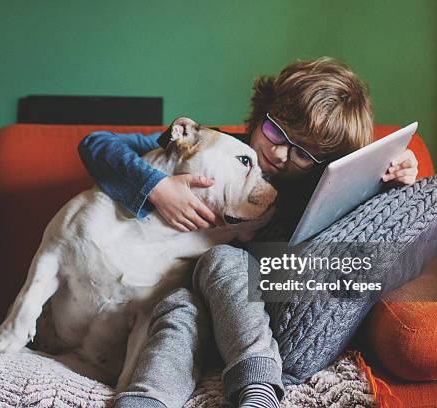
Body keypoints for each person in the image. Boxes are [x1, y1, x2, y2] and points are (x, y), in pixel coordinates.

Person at [78, 57, 418, 408]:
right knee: (179, 305)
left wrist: (395, 180)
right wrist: (157, 187)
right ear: (262, 111)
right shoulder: (215, 147)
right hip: (190, 302)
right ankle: (145, 400)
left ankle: (258, 392)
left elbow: (377, 236)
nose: (280, 153)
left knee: (222, 258)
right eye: (276, 132)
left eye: (302, 152)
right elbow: (98, 143)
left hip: (260, 313)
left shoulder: (320, 188)